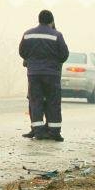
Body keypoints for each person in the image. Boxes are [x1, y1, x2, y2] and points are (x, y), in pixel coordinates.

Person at [19, 10, 69, 141]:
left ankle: (38, 131)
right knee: (53, 102)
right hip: (52, 74)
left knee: (35, 101)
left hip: (34, 74)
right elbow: (64, 55)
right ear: (52, 21)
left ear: (39, 19)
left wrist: (32, 61)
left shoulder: (28, 34)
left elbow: (22, 52)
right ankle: (54, 132)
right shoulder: (57, 35)